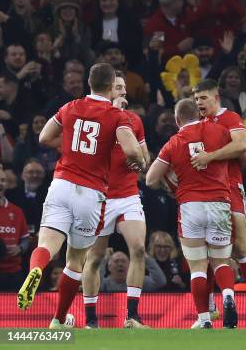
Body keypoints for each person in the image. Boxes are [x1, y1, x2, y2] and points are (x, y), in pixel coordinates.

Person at [17, 63, 145, 330]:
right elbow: (133, 151)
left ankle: (36, 270)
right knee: (75, 260)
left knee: (47, 245)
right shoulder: (116, 115)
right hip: (91, 193)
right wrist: (137, 163)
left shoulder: (71, 106)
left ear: (89, 83)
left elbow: (43, 137)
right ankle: (58, 320)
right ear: (111, 87)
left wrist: (73, 148)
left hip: (62, 184)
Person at [146, 99, 236, 329]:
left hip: (190, 206)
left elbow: (150, 179)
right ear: (200, 113)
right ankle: (227, 294)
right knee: (220, 261)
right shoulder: (219, 130)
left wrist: (170, 181)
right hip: (219, 202)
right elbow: (239, 150)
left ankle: (204, 319)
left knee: (197, 266)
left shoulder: (174, 142)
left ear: (177, 120)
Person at [191, 79, 246, 329]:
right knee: (204, 249)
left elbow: (241, 147)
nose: (199, 103)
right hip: (205, 193)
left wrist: (211, 156)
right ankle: (209, 310)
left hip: (230, 188)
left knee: (239, 247)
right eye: (195, 100)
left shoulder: (230, 117)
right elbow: (244, 156)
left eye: (203, 98)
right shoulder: (202, 125)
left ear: (216, 98)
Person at [81, 71, 151, 329]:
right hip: (100, 196)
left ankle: (132, 317)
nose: (122, 92)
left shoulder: (134, 120)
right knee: (95, 257)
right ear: (108, 90)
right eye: (117, 88)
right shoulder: (96, 119)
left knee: (139, 249)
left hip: (128, 195)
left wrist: (139, 163)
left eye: (123, 88)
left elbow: (145, 160)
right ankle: (90, 320)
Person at [0, 167, 29, 291]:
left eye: (3, 180)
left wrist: (20, 248)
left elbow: (25, 239)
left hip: (14, 273)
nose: (0, 183)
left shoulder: (17, 211)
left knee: (14, 310)